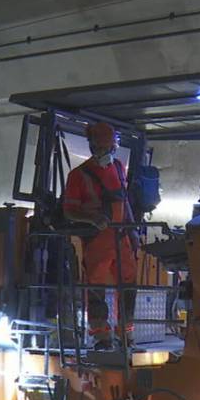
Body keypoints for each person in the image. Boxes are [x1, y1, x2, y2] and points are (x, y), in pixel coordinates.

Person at [62, 122, 138, 350]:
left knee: (128, 284)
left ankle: (125, 335)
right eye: (102, 149)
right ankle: (101, 336)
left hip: (121, 236)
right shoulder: (78, 175)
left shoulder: (118, 168)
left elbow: (123, 200)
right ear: (92, 147)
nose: (106, 153)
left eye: (110, 148)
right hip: (98, 239)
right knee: (95, 287)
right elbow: (69, 211)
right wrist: (92, 220)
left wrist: (133, 229)